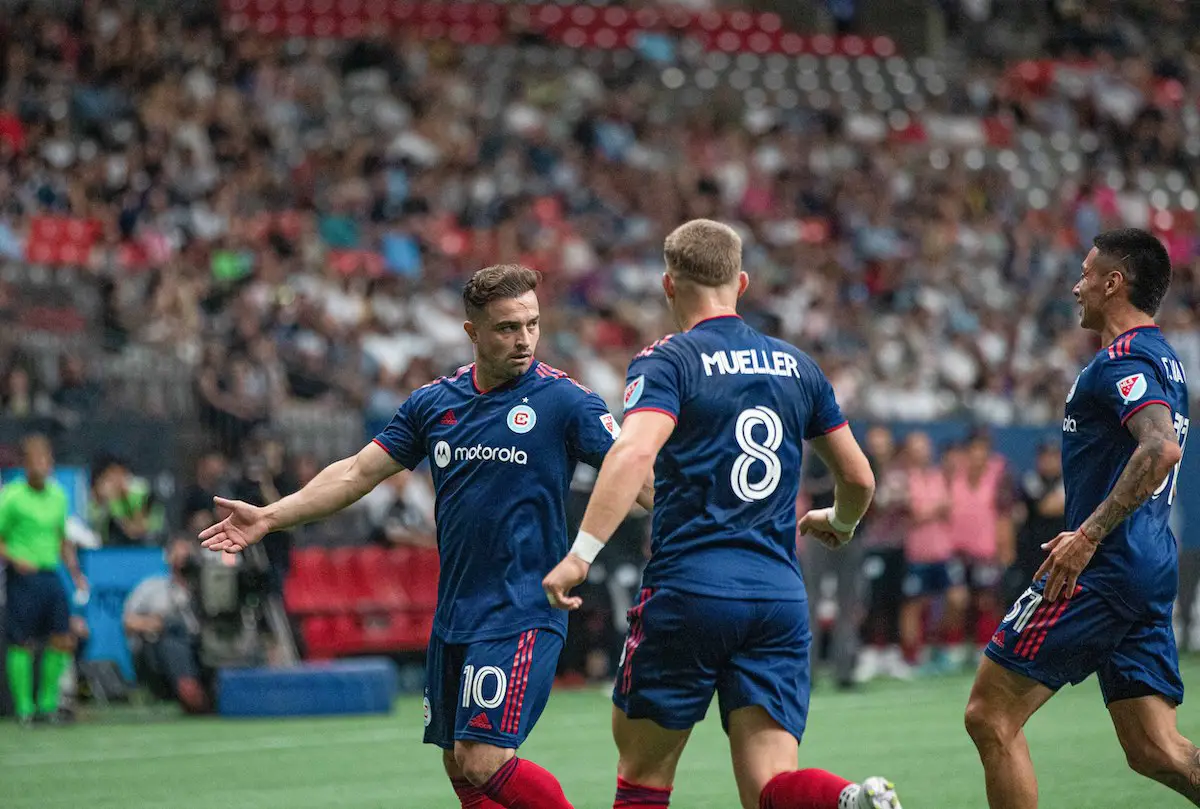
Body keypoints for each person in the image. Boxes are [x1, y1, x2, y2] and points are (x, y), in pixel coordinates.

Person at [199, 264, 649, 809]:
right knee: (459, 765)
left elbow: (640, 478)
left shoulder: (566, 402)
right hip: (456, 611)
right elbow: (356, 473)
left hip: (523, 608)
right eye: (507, 327)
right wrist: (271, 516)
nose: (524, 339)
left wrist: (706, 518)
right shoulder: (435, 403)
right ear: (472, 331)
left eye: (531, 324)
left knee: (484, 758)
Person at [542, 219, 900, 809]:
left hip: (690, 591)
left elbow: (633, 452)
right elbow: (859, 478)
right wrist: (839, 523)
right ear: (742, 282)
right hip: (778, 598)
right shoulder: (798, 365)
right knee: (770, 784)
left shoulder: (668, 360)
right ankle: (845, 799)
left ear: (668, 285)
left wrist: (580, 556)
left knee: (642, 772)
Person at [966, 228, 1196, 807]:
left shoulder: (1124, 358)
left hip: (1102, 570)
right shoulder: (1165, 361)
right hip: (1144, 568)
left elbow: (1160, 448)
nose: (1077, 286)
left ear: (1114, 283)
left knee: (990, 714)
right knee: (1156, 750)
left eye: (1087, 273)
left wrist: (1087, 536)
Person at [0, 435, 88, 726]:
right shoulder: (11, 496)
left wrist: (76, 574)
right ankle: (24, 709)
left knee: (62, 639)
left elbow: (62, 540)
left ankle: (47, 704)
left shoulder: (58, 496)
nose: (44, 465)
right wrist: (14, 559)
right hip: (23, 577)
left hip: (50, 575)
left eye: (47, 459)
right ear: (26, 464)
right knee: (22, 642)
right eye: (38, 460)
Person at [898, 432, 964, 673]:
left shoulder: (940, 477)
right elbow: (913, 514)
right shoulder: (905, 479)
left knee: (956, 598)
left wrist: (929, 511)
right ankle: (912, 658)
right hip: (917, 553)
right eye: (917, 447)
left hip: (943, 552)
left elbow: (949, 510)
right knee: (914, 606)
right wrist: (935, 509)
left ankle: (940, 646)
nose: (922, 452)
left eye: (925, 447)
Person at [947, 430, 1014, 663]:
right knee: (957, 599)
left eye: (982, 450)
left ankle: (983, 649)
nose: (977, 455)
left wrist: (1005, 548)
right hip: (957, 552)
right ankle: (953, 651)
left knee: (986, 602)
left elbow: (1004, 515)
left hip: (986, 553)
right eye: (973, 450)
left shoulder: (998, 477)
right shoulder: (953, 476)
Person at [122, 536, 208, 714]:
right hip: (158, 652)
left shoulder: (203, 589)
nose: (183, 558)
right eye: (178, 552)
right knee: (171, 633)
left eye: (187, 553)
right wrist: (154, 623)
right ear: (168, 557)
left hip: (197, 647)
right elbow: (128, 622)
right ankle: (188, 688)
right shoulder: (152, 587)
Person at [1004, 442, 1064, 607]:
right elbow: (1047, 507)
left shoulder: (1067, 480)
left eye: (1054, 457)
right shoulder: (1030, 480)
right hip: (1031, 556)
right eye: (1045, 457)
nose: (1050, 461)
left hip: (1060, 554)